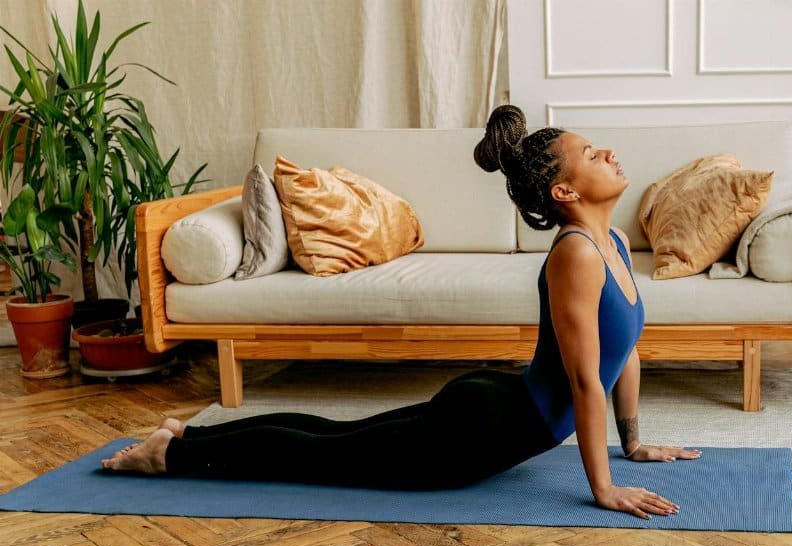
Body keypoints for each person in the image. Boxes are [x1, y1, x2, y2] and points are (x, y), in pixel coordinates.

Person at [101, 105, 701, 520]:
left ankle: (185, 434)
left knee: (340, 438)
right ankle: (172, 454)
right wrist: (604, 488)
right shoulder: (576, 255)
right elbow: (582, 381)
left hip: (497, 407)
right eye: (593, 153)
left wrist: (634, 443)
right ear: (565, 193)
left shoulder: (614, 243)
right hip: (485, 432)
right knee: (326, 456)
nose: (610, 154)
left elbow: (625, 354)